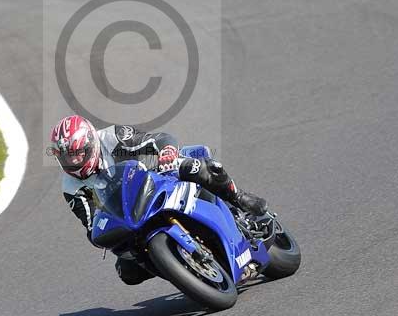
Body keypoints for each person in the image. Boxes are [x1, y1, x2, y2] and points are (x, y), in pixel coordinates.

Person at [49, 115, 268, 285]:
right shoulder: (70, 187)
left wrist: (167, 152)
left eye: (78, 154)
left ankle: (237, 197)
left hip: (158, 174)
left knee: (199, 168)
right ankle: (183, 269)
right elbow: (90, 226)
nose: (74, 161)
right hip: (128, 212)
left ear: (90, 144)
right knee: (128, 272)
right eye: (67, 157)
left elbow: (156, 139)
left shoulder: (112, 137)